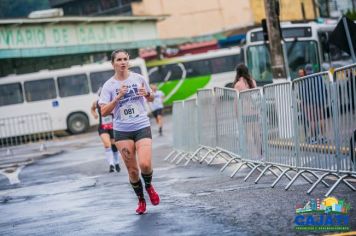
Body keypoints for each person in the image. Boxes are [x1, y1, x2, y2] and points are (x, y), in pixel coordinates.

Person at [99, 49, 160, 215]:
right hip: (122, 131)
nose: (123, 62)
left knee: (145, 164)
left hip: (141, 125)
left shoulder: (138, 78)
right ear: (113, 63)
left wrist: (147, 94)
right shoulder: (109, 86)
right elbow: (103, 111)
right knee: (133, 171)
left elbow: (152, 97)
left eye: (125, 59)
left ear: (129, 61)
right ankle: (141, 200)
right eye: (119, 59)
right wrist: (117, 97)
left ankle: (148, 186)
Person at [91, 90, 121, 173]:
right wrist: (94, 114)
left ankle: (117, 163)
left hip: (113, 127)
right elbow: (92, 109)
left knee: (114, 145)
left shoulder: (112, 102)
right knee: (107, 145)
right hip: (103, 127)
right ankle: (111, 165)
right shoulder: (96, 103)